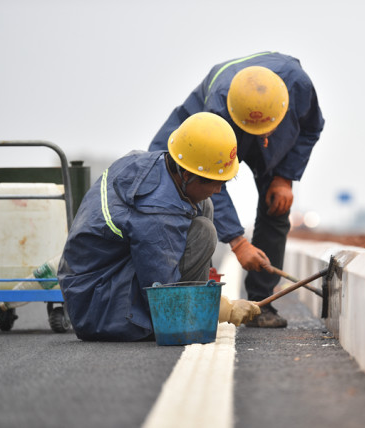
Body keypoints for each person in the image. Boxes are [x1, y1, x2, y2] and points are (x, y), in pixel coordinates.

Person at [148, 52, 325, 328]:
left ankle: (261, 303)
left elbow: (312, 129)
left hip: (276, 130)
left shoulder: (299, 88)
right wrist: (238, 242)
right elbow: (208, 183)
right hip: (221, 127)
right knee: (180, 189)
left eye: (266, 131)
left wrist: (284, 178)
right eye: (258, 133)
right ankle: (172, 290)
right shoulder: (216, 110)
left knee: (278, 203)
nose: (262, 138)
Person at [58, 112, 261, 342]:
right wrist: (225, 310)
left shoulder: (153, 164)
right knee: (204, 232)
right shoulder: (155, 213)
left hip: (96, 284)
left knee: (204, 205)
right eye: (216, 183)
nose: (218, 190)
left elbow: (199, 197)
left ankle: (196, 301)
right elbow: (164, 292)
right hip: (98, 309)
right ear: (186, 174)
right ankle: (187, 320)